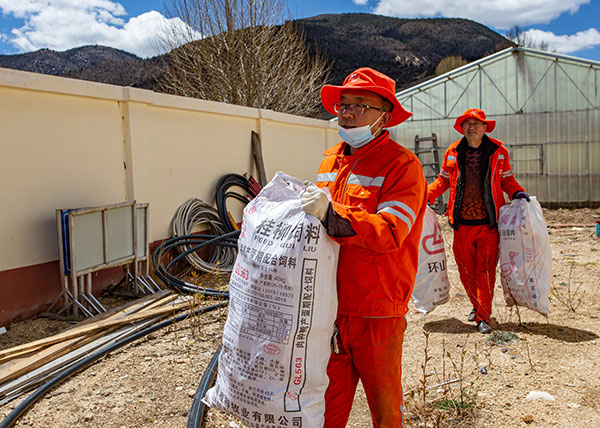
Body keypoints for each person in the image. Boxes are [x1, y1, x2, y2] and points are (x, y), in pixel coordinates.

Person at [300, 67, 427, 428]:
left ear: (384, 117)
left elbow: (391, 231)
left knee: (385, 410)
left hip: (377, 308)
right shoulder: (329, 162)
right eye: (344, 104)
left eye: (360, 105)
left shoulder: (402, 166)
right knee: (326, 407)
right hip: (330, 306)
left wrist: (334, 214)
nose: (347, 112)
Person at [427, 108, 530, 334]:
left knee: (485, 270)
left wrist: (518, 193)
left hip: (488, 224)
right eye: (467, 123)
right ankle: (476, 305)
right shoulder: (453, 151)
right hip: (461, 224)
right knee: (465, 270)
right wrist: (426, 195)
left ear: (485, 127)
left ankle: (483, 315)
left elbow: (507, 180)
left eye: (476, 123)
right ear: (461, 128)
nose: (471, 127)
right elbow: (443, 181)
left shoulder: (498, 151)